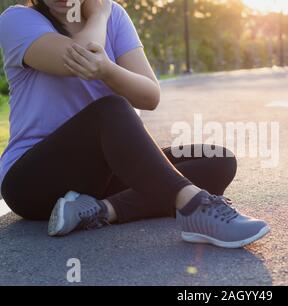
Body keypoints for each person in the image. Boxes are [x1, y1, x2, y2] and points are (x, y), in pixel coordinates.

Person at [0, 0, 270, 248]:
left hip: (99, 176)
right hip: (32, 181)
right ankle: (193, 208)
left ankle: (101, 210)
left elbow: (149, 95)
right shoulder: (18, 19)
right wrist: (99, 14)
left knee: (218, 162)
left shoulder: (114, 16)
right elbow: (82, 58)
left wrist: (108, 66)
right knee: (111, 109)